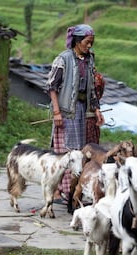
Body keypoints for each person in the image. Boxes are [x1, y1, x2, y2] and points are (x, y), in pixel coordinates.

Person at [46, 24, 104, 205]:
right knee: (64, 152)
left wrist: (96, 110)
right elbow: (52, 87)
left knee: (78, 152)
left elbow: (92, 90)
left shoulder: (88, 61)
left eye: (91, 43)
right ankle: (58, 191)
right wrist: (56, 112)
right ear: (77, 41)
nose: (89, 46)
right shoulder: (63, 59)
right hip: (64, 111)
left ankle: (71, 191)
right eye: (87, 42)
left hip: (80, 110)